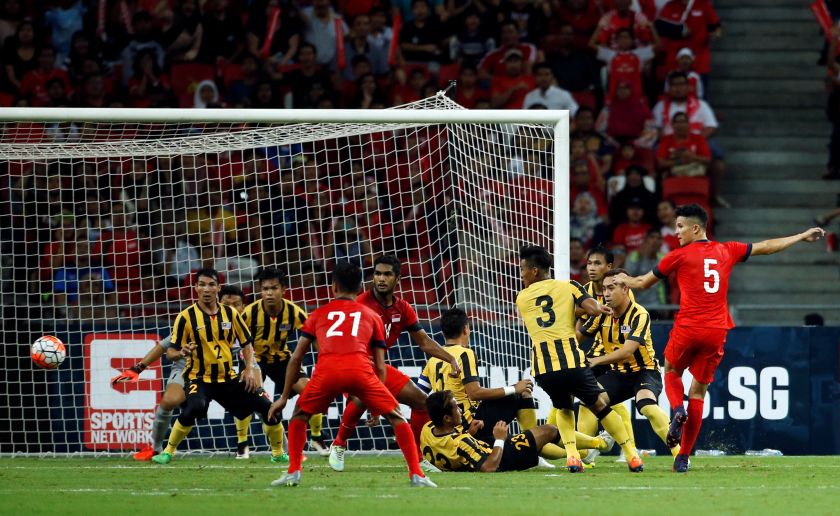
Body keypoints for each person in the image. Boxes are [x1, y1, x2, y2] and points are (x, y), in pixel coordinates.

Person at [616, 204, 825, 472]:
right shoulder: (728, 250)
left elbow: (643, 282)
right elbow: (766, 246)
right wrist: (801, 236)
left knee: (671, 371)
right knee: (698, 392)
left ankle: (677, 410)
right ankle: (683, 457)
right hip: (716, 330)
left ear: (695, 228)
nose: (676, 232)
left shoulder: (677, 255)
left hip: (688, 326)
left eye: (680, 227)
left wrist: (621, 279)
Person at [268, 261, 436, 488]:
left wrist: (283, 397)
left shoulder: (317, 314)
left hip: (326, 371)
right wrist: (376, 405)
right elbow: (380, 367)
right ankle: (417, 474)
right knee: (397, 417)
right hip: (360, 370)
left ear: (333, 287)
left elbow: (296, 358)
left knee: (299, 415)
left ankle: (293, 472)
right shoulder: (372, 316)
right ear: (359, 289)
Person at [418, 308, 612, 467]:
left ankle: (542, 447)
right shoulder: (464, 354)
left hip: (456, 425)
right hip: (471, 422)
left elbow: (421, 394)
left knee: (522, 404)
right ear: (466, 329)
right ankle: (573, 447)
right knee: (522, 394)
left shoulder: (433, 358)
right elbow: (474, 392)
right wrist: (513, 388)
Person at [516, 245, 643, 473]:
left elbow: (550, 315)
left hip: (544, 368)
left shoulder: (522, 298)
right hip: (572, 362)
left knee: (563, 409)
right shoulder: (570, 286)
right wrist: (595, 308)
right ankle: (632, 455)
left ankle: (572, 458)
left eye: (522, 269)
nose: (521, 274)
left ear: (534, 271)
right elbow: (592, 309)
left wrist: (570, 310)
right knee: (600, 407)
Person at [330, 255, 460, 474]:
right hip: (351, 364)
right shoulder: (359, 304)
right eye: (377, 274)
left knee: (421, 402)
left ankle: (419, 458)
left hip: (377, 368)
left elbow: (424, 342)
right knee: (364, 396)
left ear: (397, 278)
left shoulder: (403, 308)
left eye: (387, 274)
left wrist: (450, 358)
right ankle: (339, 444)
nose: (381, 279)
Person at [151, 269, 285, 465]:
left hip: (228, 379)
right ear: (196, 288)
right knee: (194, 407)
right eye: (202, 285)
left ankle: (278, 453)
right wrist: (181, 353)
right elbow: (170, 352)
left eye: (211, 285)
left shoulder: (231, 314)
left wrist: (248, 368)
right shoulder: (185, 317)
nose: (207, 289)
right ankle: (168, 452)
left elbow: (246, 343)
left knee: (268, 407)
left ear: (218, 288)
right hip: (199, 378)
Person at [112, 285, 250, 461]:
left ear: (243, 307)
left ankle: (274, 448)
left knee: (257, 395)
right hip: (188, 369)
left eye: (236, 305)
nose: (231, 309)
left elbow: (251, 357)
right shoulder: (195, 320)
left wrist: (251, 371)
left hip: (223, 374)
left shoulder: (244, 327)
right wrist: (138, 368)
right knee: (169, 401)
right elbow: (164, 346)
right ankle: (155, 448)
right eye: (226, 304)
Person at [580, 269, 682, 461]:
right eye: (604, 289)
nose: (606, 293)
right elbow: (578, 336)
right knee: (590, 400)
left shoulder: (639, 314)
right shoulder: (602, 314)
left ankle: (680, 454)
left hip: (645, 371)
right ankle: (586, 452)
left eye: (611, 288)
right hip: (619, 373)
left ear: (625, 289)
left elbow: (627, 351)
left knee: (647, 407)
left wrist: (596, 360)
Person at [237, 267, 328, 460]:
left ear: (283, 290)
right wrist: (247, 365)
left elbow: (313, 335)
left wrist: (326, 358)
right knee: (257, 400)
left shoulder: (293, 311)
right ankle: (244, 444)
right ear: (260, 290)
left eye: (274, 288)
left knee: (312, 392)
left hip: (282, 360)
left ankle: (316, 437)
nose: (269, 293)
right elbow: (238, 341)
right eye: (265, 289)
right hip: (255, 361)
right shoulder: (250, 313)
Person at [574, 246, 636, 465]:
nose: (591, 268)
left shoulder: (621, 289)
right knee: (591, 396)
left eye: (597, 263)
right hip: (596, 353)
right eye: (589, 263)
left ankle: (600, 447)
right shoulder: (584, 291)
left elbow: (627, 324)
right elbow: (580, 324)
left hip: (615, 353)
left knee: (592, 396)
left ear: (609, 266)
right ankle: (604, 447)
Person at [420, 390, 582, 472]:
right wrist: (500, 439)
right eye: (456, 408)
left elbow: (453, 449)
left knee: (541, 432)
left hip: (482, 447)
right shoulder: (461, 443)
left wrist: (469, 433)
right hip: (504, 458)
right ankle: (590, 448)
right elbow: (488, 467)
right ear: (447, 418)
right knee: (550, 430)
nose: (460, 410)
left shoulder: (427, 430)